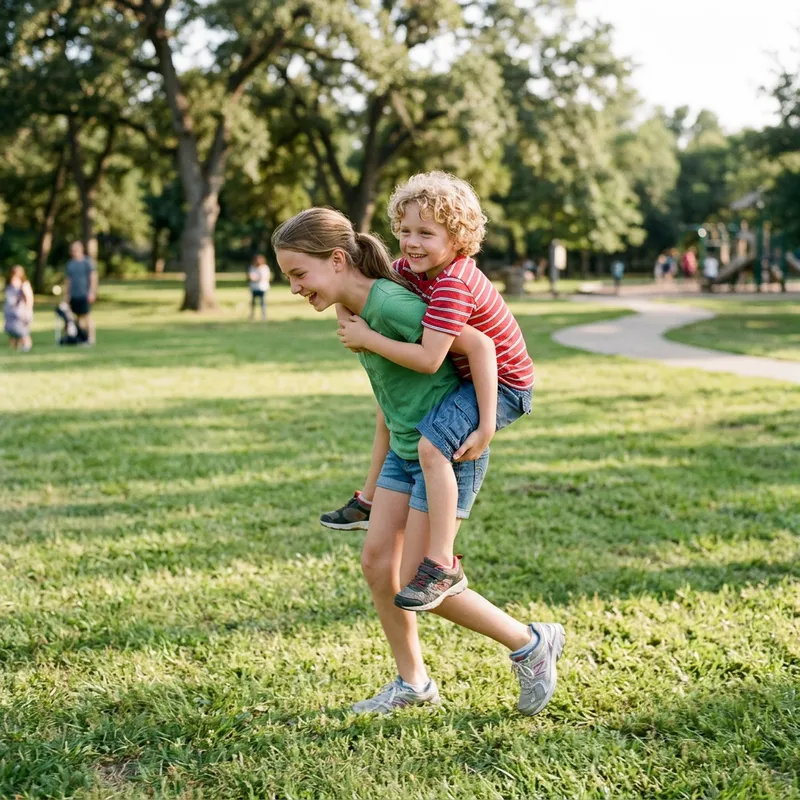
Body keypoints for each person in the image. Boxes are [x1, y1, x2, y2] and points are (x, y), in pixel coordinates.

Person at [273, 207, 565, 715]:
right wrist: (368, 489)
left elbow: (475, 345)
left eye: (300, 274)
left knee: (420, 580)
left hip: (448, 451)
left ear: (338, 260)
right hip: (405, 453)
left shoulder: (388, 305)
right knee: (377, 561)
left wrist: (487, 424)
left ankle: (529, 643)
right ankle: (413, 684)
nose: (295, 287)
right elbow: (388, 400)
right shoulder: (355, 311)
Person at [331, 171, 535, 613]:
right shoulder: (413, 268)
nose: (412, 242)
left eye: (426, 232)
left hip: (505, 384)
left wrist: (484, 426)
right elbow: (372, 282)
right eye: (405, 231)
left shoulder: (453, 283)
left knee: (430, 447)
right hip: (471, 376)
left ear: (458, 237)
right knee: (391, 413)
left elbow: (429, 359)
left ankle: (442, 562)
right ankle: (368, 499)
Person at [64, 241, 98, 344]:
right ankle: (82, 337)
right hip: (74, 295)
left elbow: (93, 278)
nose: (74, 252)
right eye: (72, 251)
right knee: (77, 318)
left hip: (84, 294)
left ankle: (91, 338)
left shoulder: (87, 262)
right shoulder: (70, 264)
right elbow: (68, 281)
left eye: (76, 250)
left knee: (87, 316)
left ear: (81, 250)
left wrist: (92, 292)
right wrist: (67, 295)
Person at [4, 265, 34, 352]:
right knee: (11, 331)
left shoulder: (24, 285)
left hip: (21, 312)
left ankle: (27, 346)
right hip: (11, 312)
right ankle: (14, 348)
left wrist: (27, 311)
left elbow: (28, 299)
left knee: (21, 331)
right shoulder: (10, 285)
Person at [248, 254, 271, 321]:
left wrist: (256, 278)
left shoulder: (265, 268)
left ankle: (264, 317)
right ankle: (252, 316)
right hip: (254, 288)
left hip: (262, 288)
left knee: (263, 303)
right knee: (253, 303)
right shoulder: (252, 267)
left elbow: (265, 277)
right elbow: (251, 276)